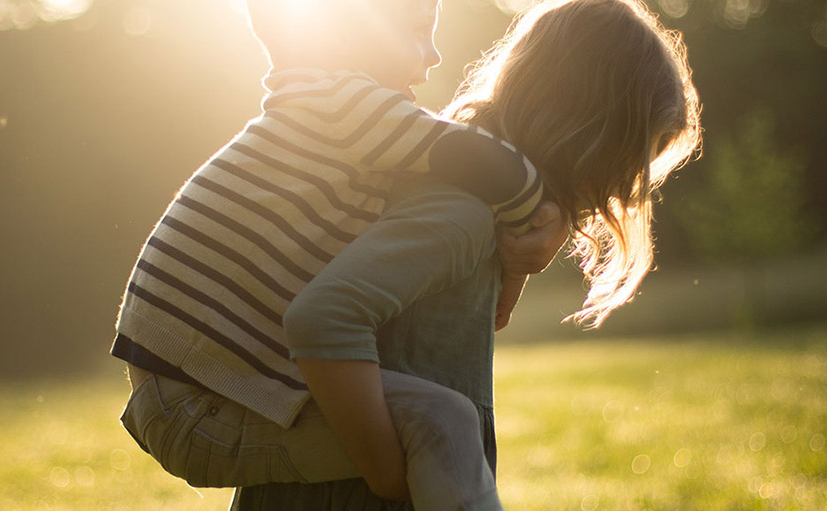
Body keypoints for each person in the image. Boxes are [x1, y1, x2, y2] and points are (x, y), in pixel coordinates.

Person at [234, 0, 701, 509]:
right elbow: (325, 319)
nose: (626, 190)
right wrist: (388, 473)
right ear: (592, 131)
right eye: (635, 155)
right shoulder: (462, 214)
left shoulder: (475, 199)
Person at [113, 0, 563, 509]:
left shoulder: (327, 114)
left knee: (440, 421)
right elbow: (483, 162)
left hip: (192, 390)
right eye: (418, 31)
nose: (434, 55)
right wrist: (540, 218)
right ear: (347, 36)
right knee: (443, 424)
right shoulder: (342, 106)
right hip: (195, 403)